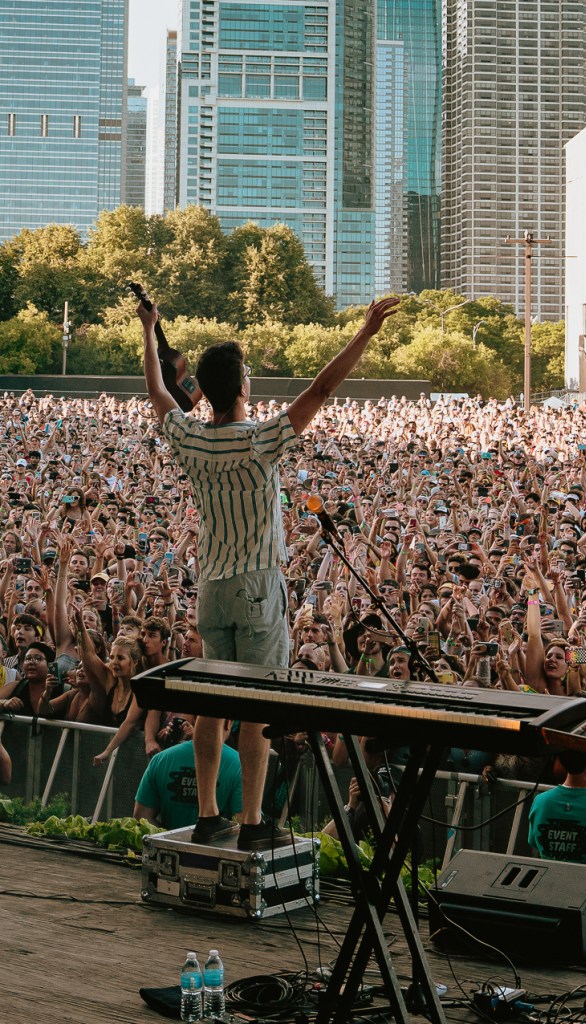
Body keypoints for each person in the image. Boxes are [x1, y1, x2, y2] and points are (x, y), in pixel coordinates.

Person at [137, 294, 398, 850]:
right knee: (257, 707)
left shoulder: (190, 438)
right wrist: (366, 332)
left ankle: (209, 814)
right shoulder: (260, 441)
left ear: (203, 391)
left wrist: (148, 330)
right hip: (257, 585)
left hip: (211, 585)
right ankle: (253, 822)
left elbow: (159, 393)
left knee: (212, 706)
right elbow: (321, 390)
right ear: (243, 388)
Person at [134, 721, 243, 831]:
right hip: (214, 846)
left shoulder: (161, 759)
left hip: (168, 846)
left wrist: (169, 840)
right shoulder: (240, 764)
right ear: (228, 723)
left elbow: (142, 816)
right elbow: (242, 821)